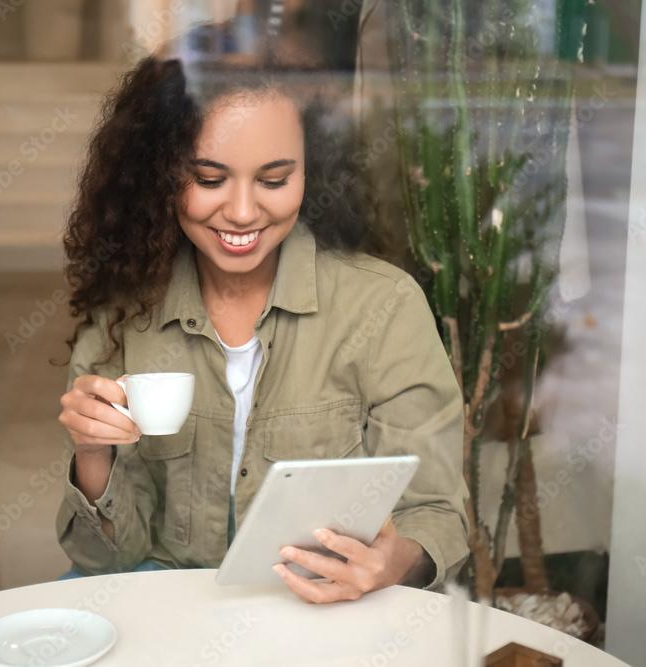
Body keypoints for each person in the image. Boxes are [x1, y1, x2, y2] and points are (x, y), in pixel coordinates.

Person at [56, 30, 469, 603]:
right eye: (208, 179)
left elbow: (438, 513)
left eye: (275, 180)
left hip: (321, 604)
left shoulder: (384, 307)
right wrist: (92, 454)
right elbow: (104, 560)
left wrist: (391, 563)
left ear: (312, 173)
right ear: (159, 176)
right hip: (167, 603)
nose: (244, 212)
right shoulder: (124, 317)